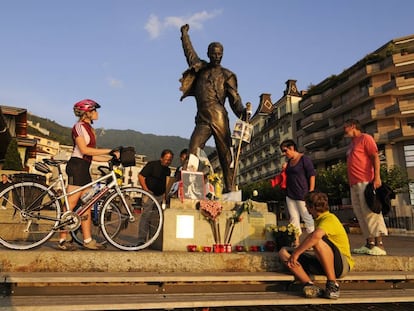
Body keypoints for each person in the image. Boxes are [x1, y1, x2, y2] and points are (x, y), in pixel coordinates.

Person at [179, 24, 247, 193]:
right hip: (202, 118)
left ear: (222, 54)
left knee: (225, 155)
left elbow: (234, 99)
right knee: (193, 148)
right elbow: (189, 53)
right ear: (208, 54)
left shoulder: (227, 75)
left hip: (218, 116)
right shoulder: (200, 68)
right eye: (214, 53)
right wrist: (184, 35)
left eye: (219, 53)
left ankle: (230, 188)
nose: (217, 56)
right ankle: (192, 190)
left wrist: (242, 113)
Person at [58, 99, 119, 251]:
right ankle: (62, 239)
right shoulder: (78, 127)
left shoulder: (90, 129)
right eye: (95, 110)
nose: (97, 113)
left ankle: (88, 240)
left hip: (84, 167)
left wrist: (112, 158)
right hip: (77, 167)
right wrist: (109, 151)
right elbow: (84, 150)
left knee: (87, 205)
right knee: (71, 204)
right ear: (87, 112)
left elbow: (92, 156)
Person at [279, 192, 354, 300]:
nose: (307, 210)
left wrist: (297, 253)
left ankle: (333, 285)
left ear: (312, 207)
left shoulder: (330, 218)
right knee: (284, 252)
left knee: (316, 240)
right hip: (325, 263)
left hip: (341, 265)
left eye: (307, 207)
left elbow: (316, 236)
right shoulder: (318, 220)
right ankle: (309, 285)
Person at [344, 119, 388, 256]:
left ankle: (379, 245)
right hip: (354, 182)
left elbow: (375, 156)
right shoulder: (352, 144)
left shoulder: (365, 138)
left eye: (345, 127)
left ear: (352, 126)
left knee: (370, 211)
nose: (344, 130)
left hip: (366, 180)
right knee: (360, 213)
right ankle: (369, 243)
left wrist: (377, 177)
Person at [279, 139, 316, 246]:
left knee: (307, 217)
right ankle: (296, 241)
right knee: (293, 218)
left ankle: (313, 242)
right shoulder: (289, 162)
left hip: (302, 193)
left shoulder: (304, 159)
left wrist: (311, 191)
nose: (284, 154)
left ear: (292, 148)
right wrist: (284, 169)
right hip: (290, 193)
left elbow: (311, 175)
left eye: (285, 151)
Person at [138, 149, 174, 244]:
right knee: (146, 216)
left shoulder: (168, 170)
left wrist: (164, 196)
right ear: (161, 158)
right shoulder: (152, 165)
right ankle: (141, 239)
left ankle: (152, 240)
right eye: (166, 159)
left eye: (170, 160)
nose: (167, 161)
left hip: (160, 196)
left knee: (156, 218)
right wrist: (146, 190)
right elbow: (141, 176)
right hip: (149, 194)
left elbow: (166, 183)